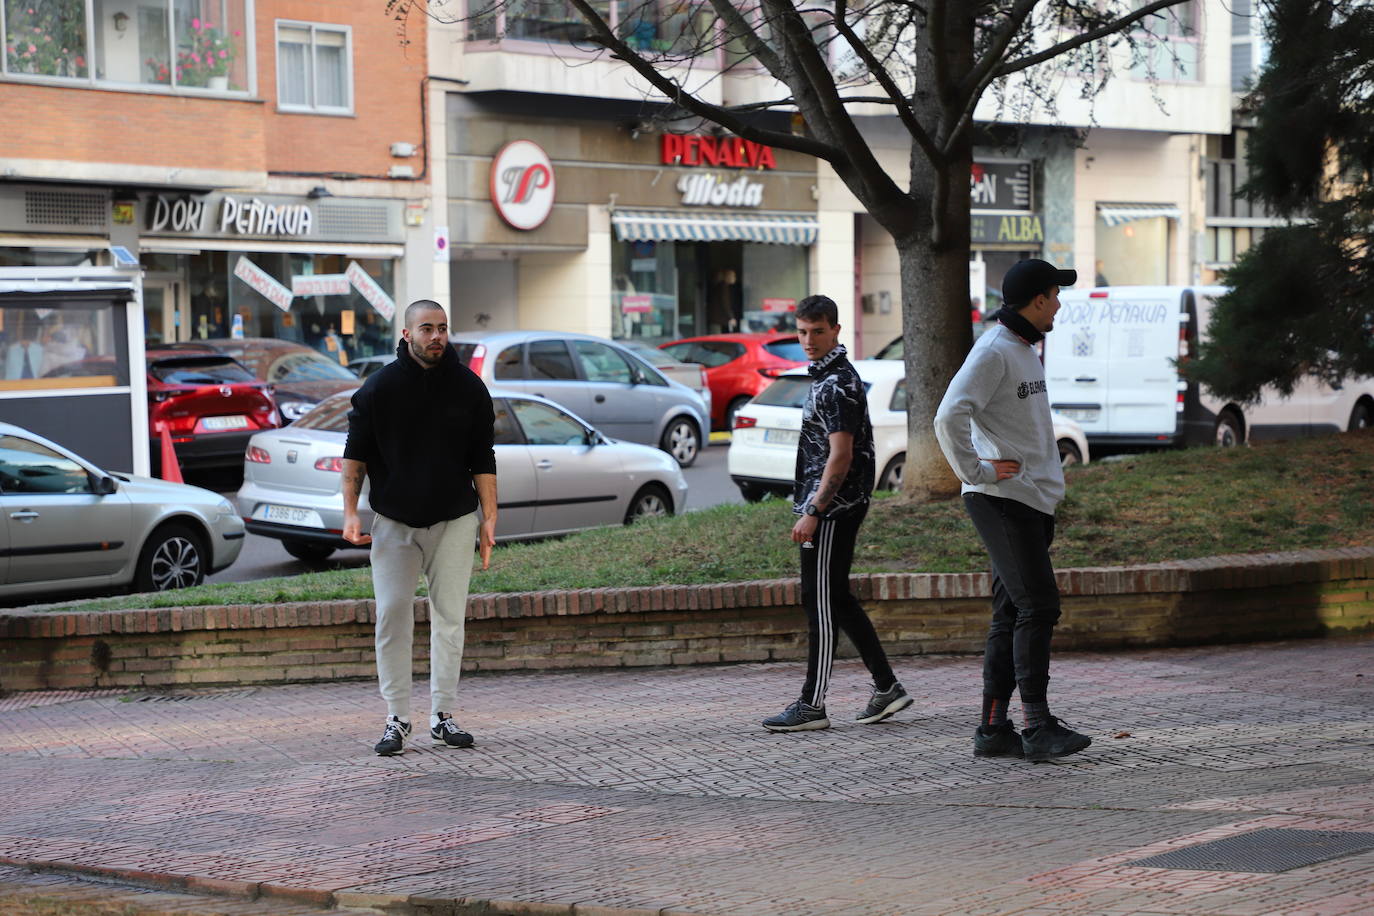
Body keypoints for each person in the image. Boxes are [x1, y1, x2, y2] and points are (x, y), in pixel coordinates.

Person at [933, 259, 1092, 762]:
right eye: (1055, 296)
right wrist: (976, 471)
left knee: (1010, 612)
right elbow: (948, 415)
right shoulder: (995, 350)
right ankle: (1038, 726)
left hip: (1030, 499)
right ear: (1038, 300)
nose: (1060, 305)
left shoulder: (1023, 350)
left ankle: (993, 728)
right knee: (1038, 605)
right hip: (1001, 499)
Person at [342, 299, 498, 756]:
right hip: (394, 522)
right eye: (427, 328)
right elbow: (355, 454)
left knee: (450, 619)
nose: (437, 336)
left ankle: (442, 716)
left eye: (443, 328)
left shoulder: (469, 388)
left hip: (454, 519)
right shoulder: (379, 388)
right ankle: (397, 718)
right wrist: (351, 513)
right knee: (392, 615)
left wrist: (489, 517)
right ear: (407, 334)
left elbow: (482, 457)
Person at [762, 294, 911, 732]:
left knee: (819, 602)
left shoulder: (837, 384)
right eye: (802, 332)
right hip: (833, 507)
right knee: (837, 598)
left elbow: (841, 456)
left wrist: (814, 509)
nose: (808, 340)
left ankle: (812, 705)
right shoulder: (828, 377)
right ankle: (887, 688)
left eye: (818, 331)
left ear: (836, 331)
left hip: (832, 509)